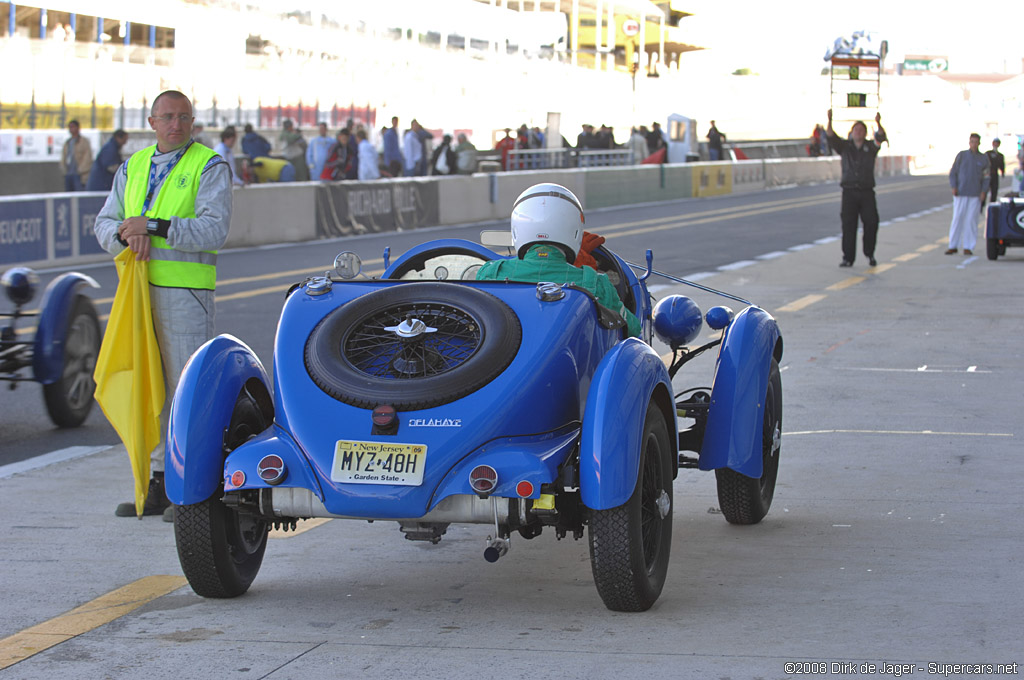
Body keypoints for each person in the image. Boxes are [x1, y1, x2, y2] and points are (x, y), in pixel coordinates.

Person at [93, 90, 232, 521]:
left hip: (184, 296)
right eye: (167, 117)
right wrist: (125, 233)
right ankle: (154, 483)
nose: (175, 124)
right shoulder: (132, 166)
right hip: (136, 293)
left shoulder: (209, 165)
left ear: (193, 123)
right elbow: (103, 222)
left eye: (183, 117)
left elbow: (214, 230)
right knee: (144, 386)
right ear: (151, 121)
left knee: (184, 392)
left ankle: (188, 489)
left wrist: (150, 226)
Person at [474, 183, 641, 338]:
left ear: (517, 229)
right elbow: (633, 329)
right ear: (575, 231)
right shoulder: (596, 283)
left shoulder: (490, 272)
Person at [826, 108, 888, 267]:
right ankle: (848, 257)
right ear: (851, 132)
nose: (858, 132)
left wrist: (878, 123)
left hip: (866, 192)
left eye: (861, 130)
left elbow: (880, 137)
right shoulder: (845, 147)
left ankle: (869, 254)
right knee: (848, 225)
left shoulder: (871, 147)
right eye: (856, 130)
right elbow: (831, 137)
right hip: (849, 192)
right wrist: (830, 120)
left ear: (865, 133)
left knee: (872, 222)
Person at [946, 133, 989, 256]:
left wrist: (983, 191)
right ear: (969, 142)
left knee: (971, 220)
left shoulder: (983, 158)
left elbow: (986, 177)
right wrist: (954, 186)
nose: (974, 144)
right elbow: (953, 172)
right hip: (961, 192)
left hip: (975, 194)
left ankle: (968, 246)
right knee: (957, 218)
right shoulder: (962, 156)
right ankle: (953, 245)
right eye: (972, 142)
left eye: (976, 142)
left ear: (979, 143)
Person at [60, 119, 93, 191]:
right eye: (70, 127)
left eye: (73, 127)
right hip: (68, 174)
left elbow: (87, 157)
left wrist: (80, 170)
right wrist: (64, 170)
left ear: (78, 128)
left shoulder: (84, 141)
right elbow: (64, 157)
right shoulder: (67, 142)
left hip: (79, 175)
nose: (71, 129)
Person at [986, 138, 1005, 202]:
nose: (996, 144)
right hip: (988, 174)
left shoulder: (1000, 155)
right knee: (985, 190)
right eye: (995, 143)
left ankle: (992, 204)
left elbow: (1002, 165)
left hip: (995, 175)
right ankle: (981, 205)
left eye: (997, 143)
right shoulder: (988, 153)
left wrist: (1002, 172)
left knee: (994, 191)